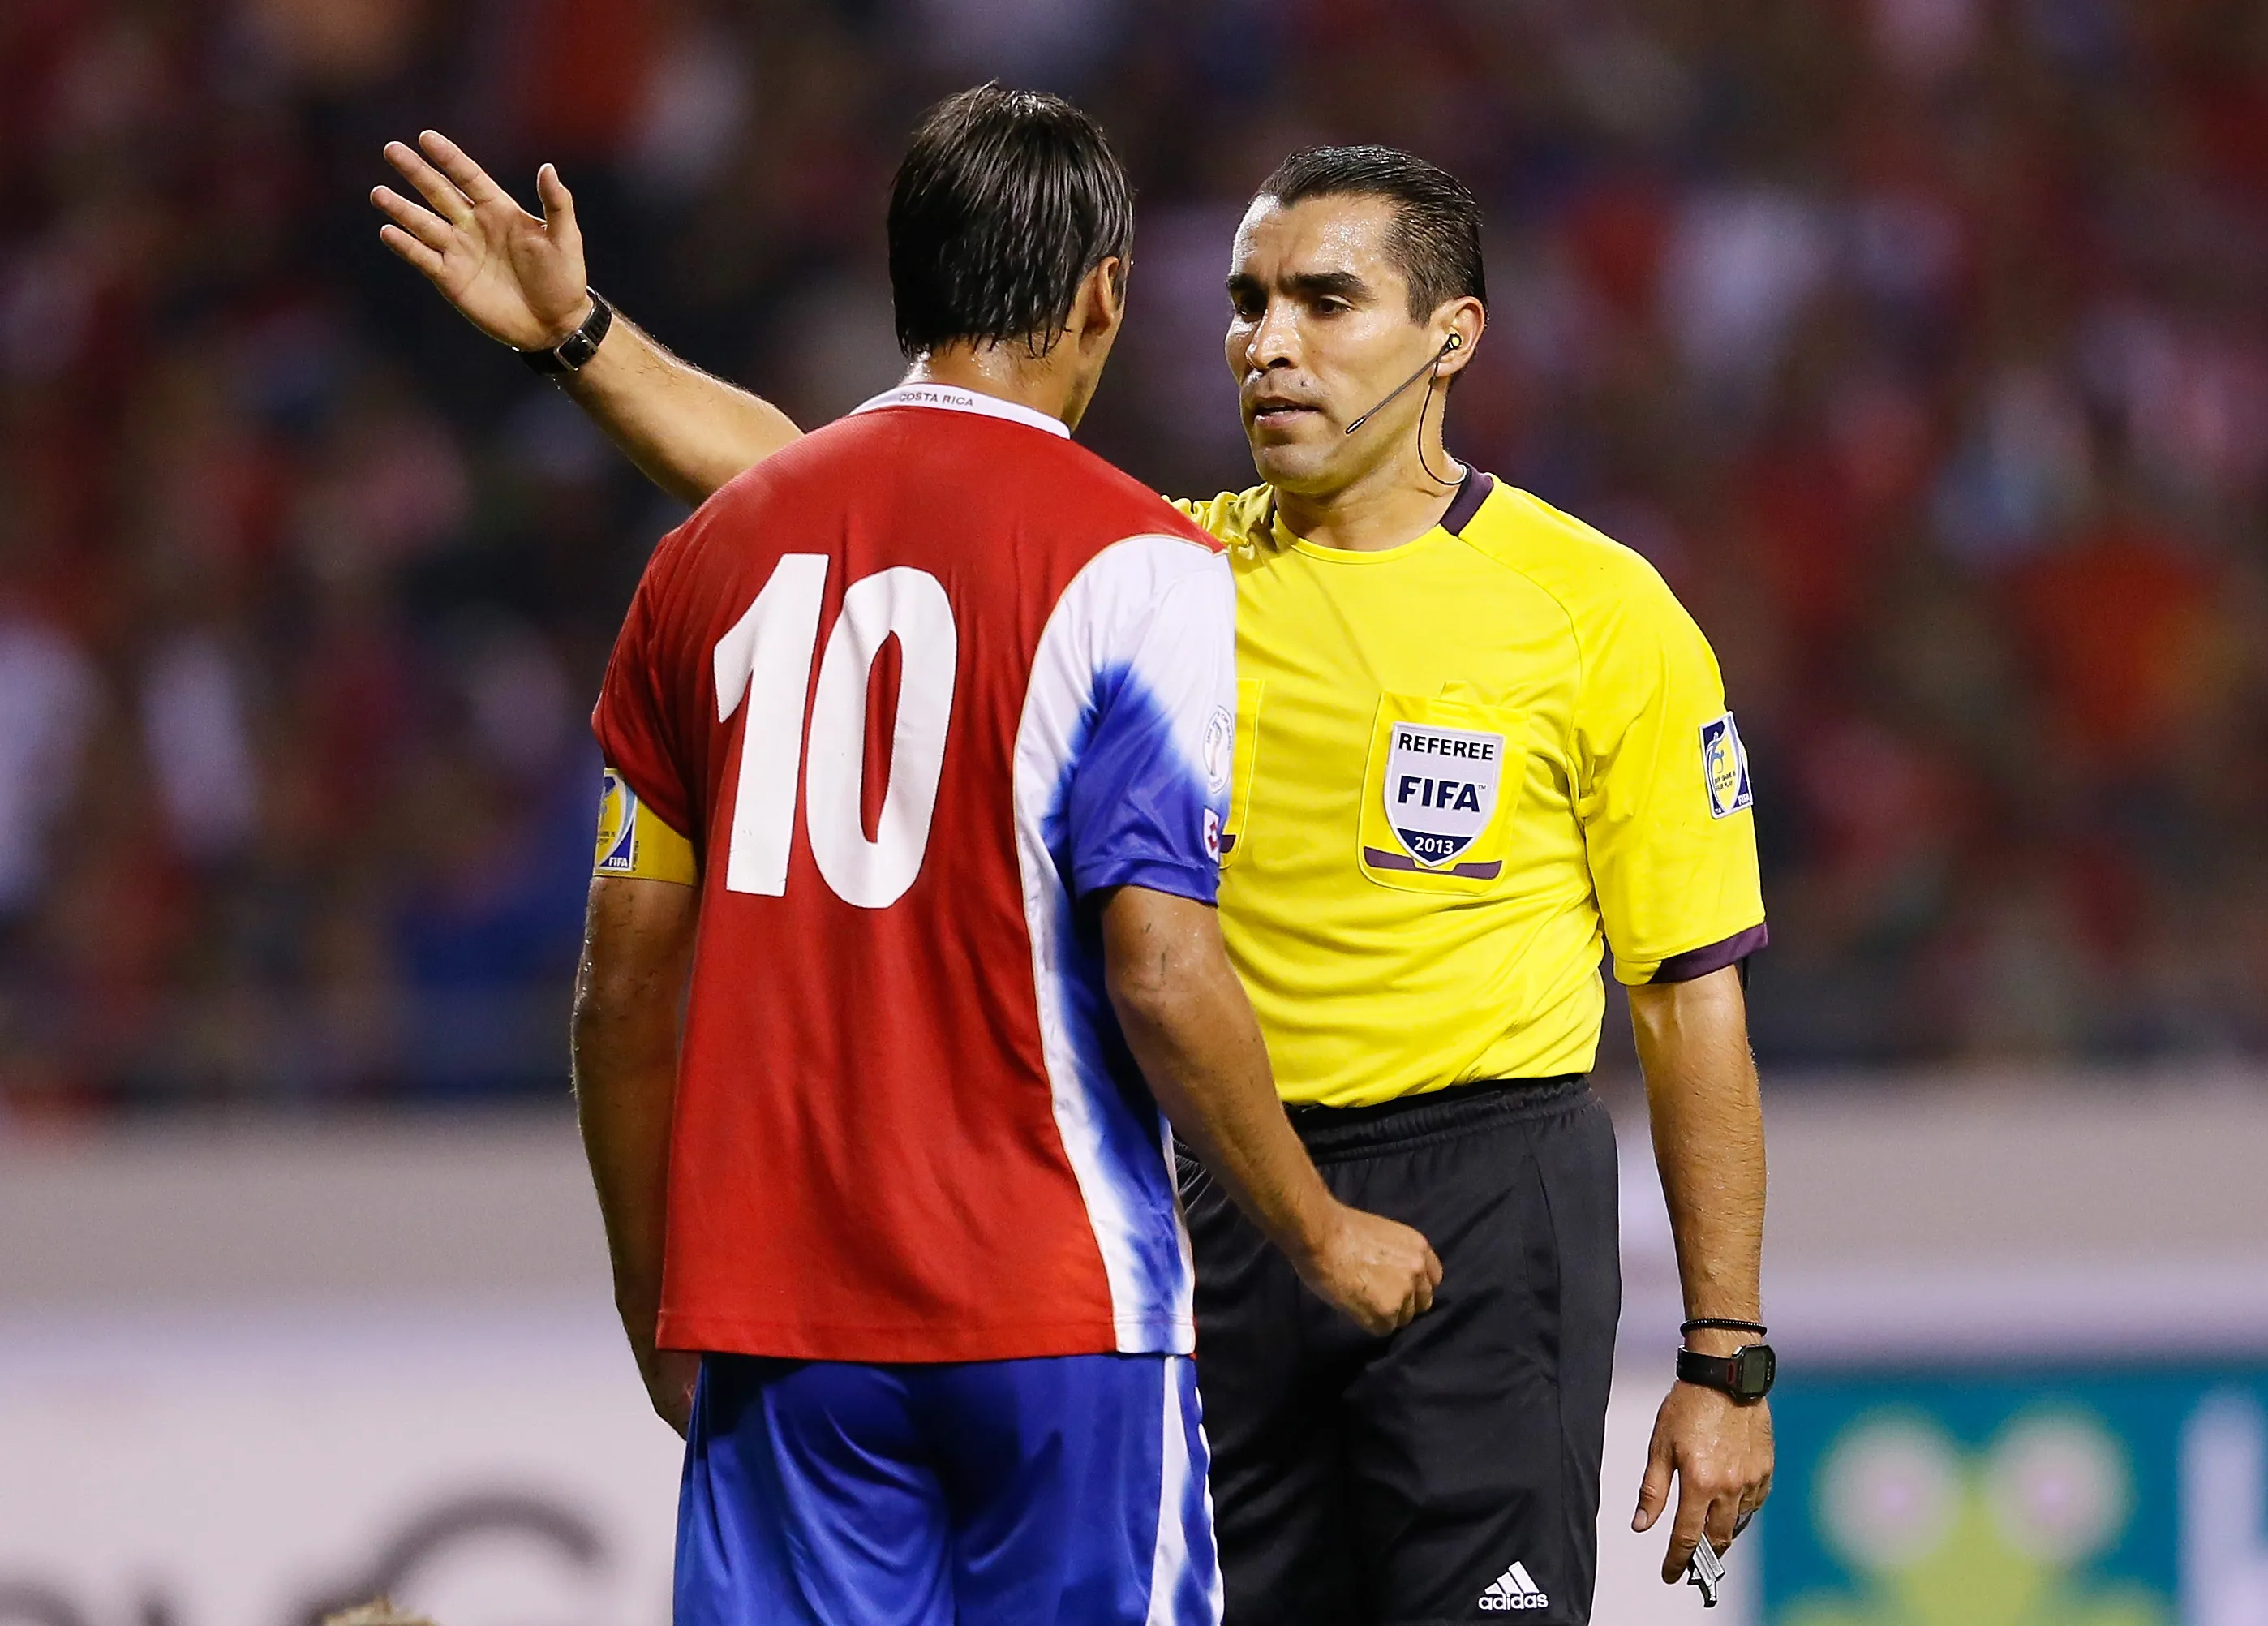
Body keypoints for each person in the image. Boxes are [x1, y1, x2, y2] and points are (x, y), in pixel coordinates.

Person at [373, 114, 1772, 1624]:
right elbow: (851, 496)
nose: (1270, 345)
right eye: (1246, 303)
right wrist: (583, 339)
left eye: (1326, 302)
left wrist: (1725, 1355)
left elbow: (1690, 1003)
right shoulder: (1166, 568)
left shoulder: (1595, 613)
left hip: (1487, 1196)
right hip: (1228, 1187)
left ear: (1453, 337)